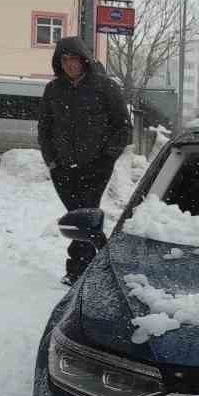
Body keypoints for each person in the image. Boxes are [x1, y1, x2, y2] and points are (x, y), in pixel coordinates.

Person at [38, 35, 131, 283]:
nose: (70, 65)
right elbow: (44, 129)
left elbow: (123, 127)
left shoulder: (105, 87)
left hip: (96, 167)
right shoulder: (53, 89)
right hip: (63, 168)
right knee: (78, 216)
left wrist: (107, 159)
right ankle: (95, 266)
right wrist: (52, 162)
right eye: (65, 60)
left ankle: (79, 270)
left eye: (74, 59)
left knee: (84, 215)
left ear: (84, 60)